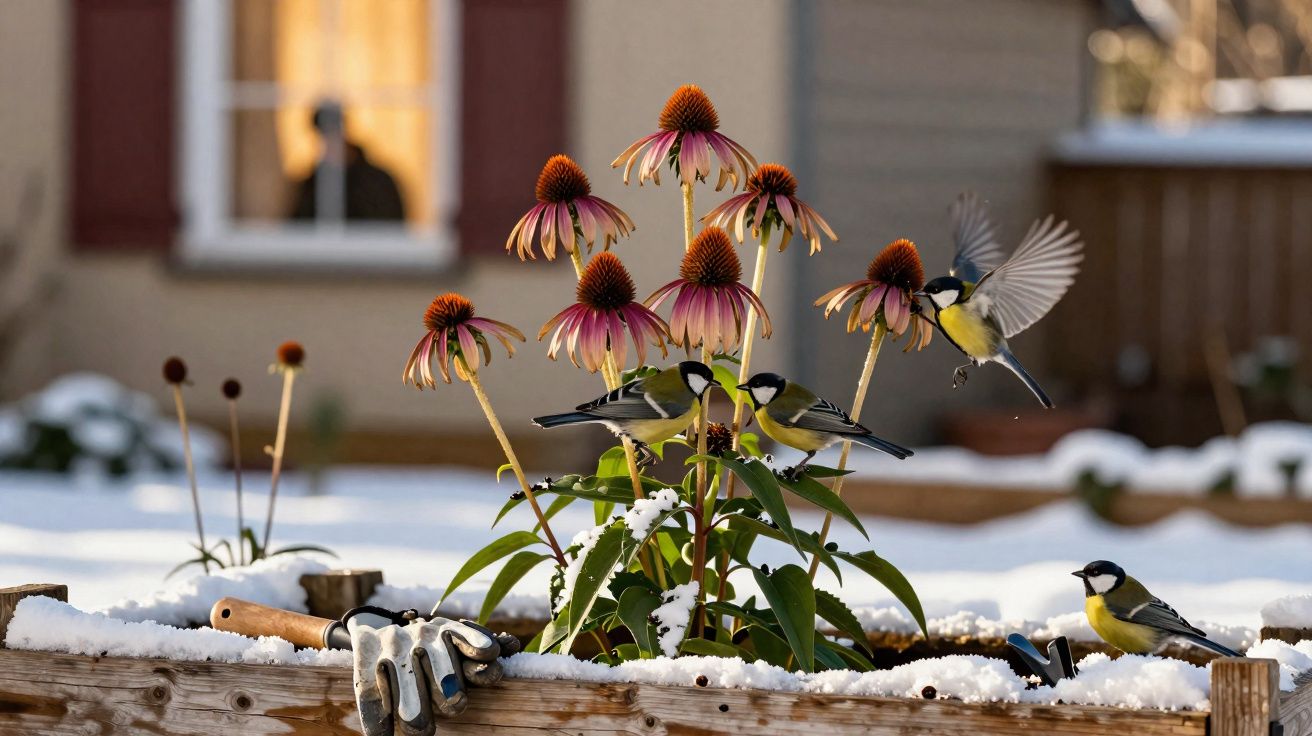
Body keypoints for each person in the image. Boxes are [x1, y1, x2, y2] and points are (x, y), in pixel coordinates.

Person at [290, 102, 406, 222]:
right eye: (325, 137)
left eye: (333, 133)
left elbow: (391, 227)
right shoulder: (311, 186)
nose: (330, 143)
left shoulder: (377, 182)